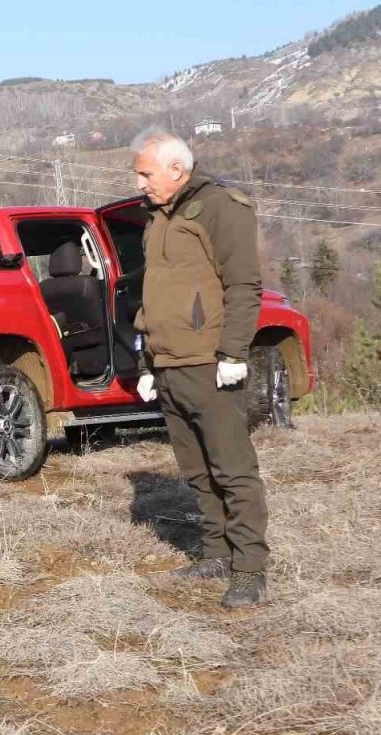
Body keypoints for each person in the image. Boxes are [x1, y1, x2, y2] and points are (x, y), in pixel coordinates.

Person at [130, 129, 269, 607]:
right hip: (169, 365)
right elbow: (154, 294)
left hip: (209, 364)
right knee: (196, 470)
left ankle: (249, 567)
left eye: (146, 173)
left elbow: (244, 285)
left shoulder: (220, 206)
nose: (140, 182)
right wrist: (147, 359)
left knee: (232, 469)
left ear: (176, 168)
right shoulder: (155, 219)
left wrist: (232, 353)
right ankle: (215, 552)